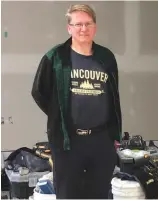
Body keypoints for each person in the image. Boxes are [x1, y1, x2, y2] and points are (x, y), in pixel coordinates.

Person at [31, 4, 122, 199]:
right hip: (68, 141)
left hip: (101, 140)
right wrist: (58, 114)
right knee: (68, 194)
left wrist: (112, 136)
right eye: (78, 24)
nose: (83, 29)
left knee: (99, 194)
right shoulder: (55, 58)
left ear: (95, 27)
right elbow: (39, 92)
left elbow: (113, 96)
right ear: (69, 28)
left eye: (88, 24)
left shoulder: (106, 58)